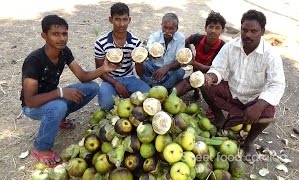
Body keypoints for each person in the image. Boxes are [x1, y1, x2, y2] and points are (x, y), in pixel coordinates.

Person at [20, 15, 118, 167]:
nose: (61, 39)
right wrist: (60, 92)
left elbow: (83, 76)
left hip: (53, 98)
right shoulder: (34, 61)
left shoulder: (64, 52)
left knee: (92, 87)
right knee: (58, 106)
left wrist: (104, 68)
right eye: (55, 34)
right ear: (44, 36)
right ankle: (41, 148)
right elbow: (30, 101)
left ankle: (58, 117)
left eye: (64, 34)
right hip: (33, 106)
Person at [200, 9, 286, 161]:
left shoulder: (271, 55)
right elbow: (218, 69)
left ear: (263, 31)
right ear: (240, 29)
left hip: (253, 99)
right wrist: (211, 77)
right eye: (244, 30)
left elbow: (277, 85)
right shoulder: (230, 47)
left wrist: (258, 106)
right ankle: (219, 117)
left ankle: (249, 142)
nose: (248, 35)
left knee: (268, 113)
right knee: (203, 83)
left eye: (254, 31)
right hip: (231, 91)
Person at [95, 2, 150, 111]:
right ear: (111, 19)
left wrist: (140, 62)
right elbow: (100, 70)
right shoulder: (101, 42)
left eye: (125, 19)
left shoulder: (135, 43)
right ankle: (121, 95)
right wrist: (116, 84)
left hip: (129, 77)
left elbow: (140, 73)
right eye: (117, 19)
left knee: (149, 97)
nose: (121, 24)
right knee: (106, 105)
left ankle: (125, 97)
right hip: (110, 79)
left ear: (129, 19)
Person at [175, 11, 226, 119]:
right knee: (173, 93)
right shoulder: (197, 38)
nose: (213, 31)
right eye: (210, 27)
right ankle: (196, 91)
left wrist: (194, 63)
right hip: (195, 74)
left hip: (211, 79)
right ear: (205, 27)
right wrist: (189, 54)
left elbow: (215, 70)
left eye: (217, 28)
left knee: (211, 111)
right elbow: (186, 41)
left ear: (222, 30)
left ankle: (213, 106)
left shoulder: (223, 47)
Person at [136, 13, 185, 90]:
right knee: (143, 64)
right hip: (153, 68)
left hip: (170, 70)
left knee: (180, 72)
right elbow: (148, 49)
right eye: (165, 27)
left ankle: (152, 86)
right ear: (161, 26)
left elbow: (180, 61)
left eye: (171, 29)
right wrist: (150, 52)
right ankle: (163, 87)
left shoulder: (180, 38)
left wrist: (166, 68)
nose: (167, 31)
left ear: (176, 28)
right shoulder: (155, 36)